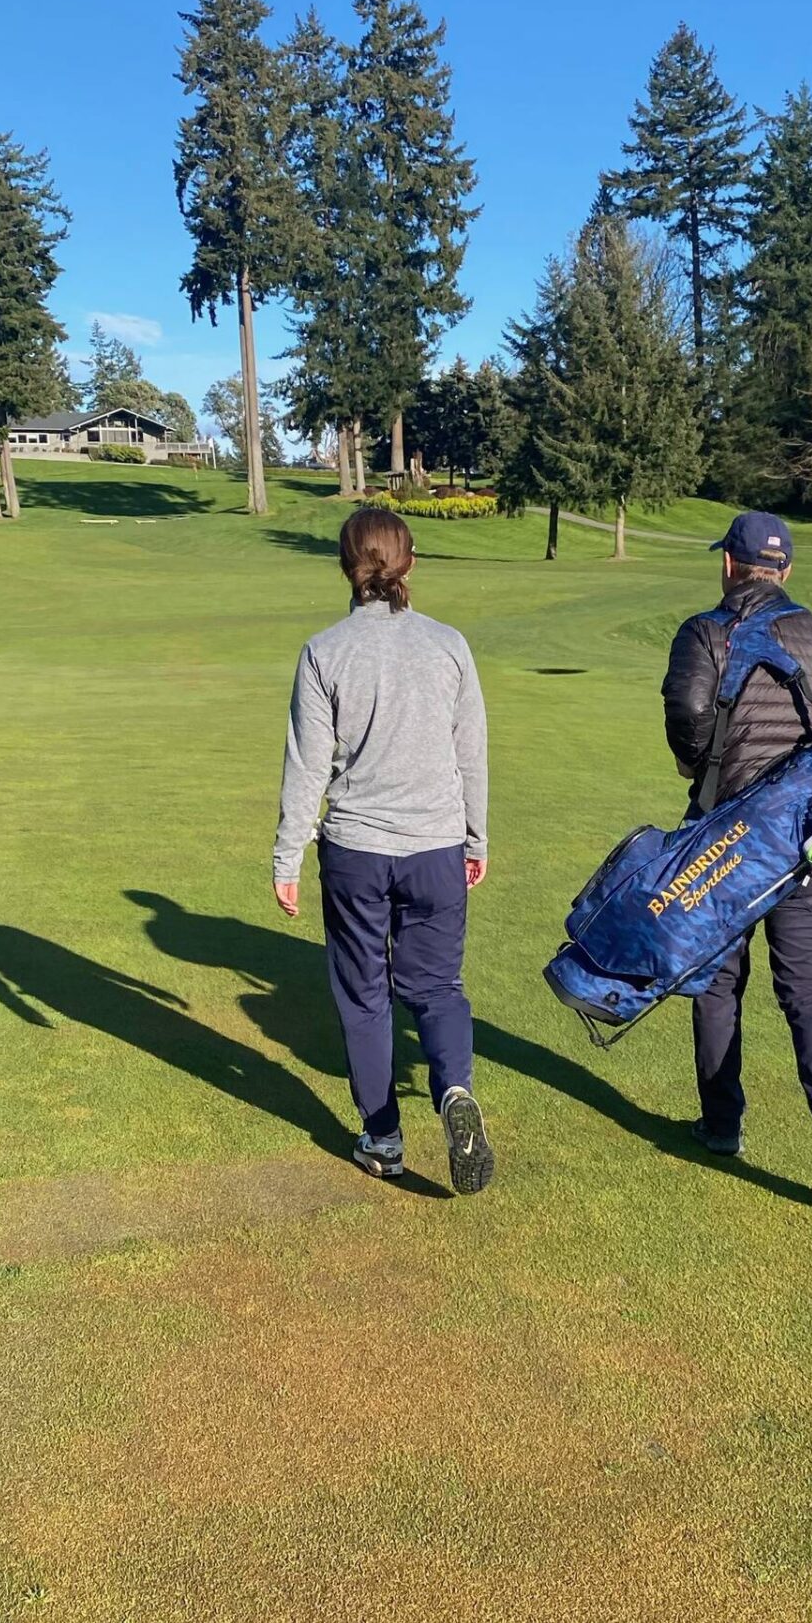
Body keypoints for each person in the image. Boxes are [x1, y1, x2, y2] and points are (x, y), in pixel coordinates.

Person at [272, 505, 494, 1193]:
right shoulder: (449, 643)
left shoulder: (324, 650)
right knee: (436, 987)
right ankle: (453, 1091)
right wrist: (476, 837)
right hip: (436, 847)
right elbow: (471, 754)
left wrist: (287, 856)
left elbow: (308, 764)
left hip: (356, 852)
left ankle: (383, 1138)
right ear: (410, 564)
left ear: (347, 566)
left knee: (365, 996)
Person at [661, 510, 812, 1211]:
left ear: (730, 563)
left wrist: (709, 765)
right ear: (784, 570)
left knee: (718, 986)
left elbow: (687, 724)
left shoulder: (705, 632)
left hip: (724, 843)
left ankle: (722, 1125)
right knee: (809, 992)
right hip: (808, 844)